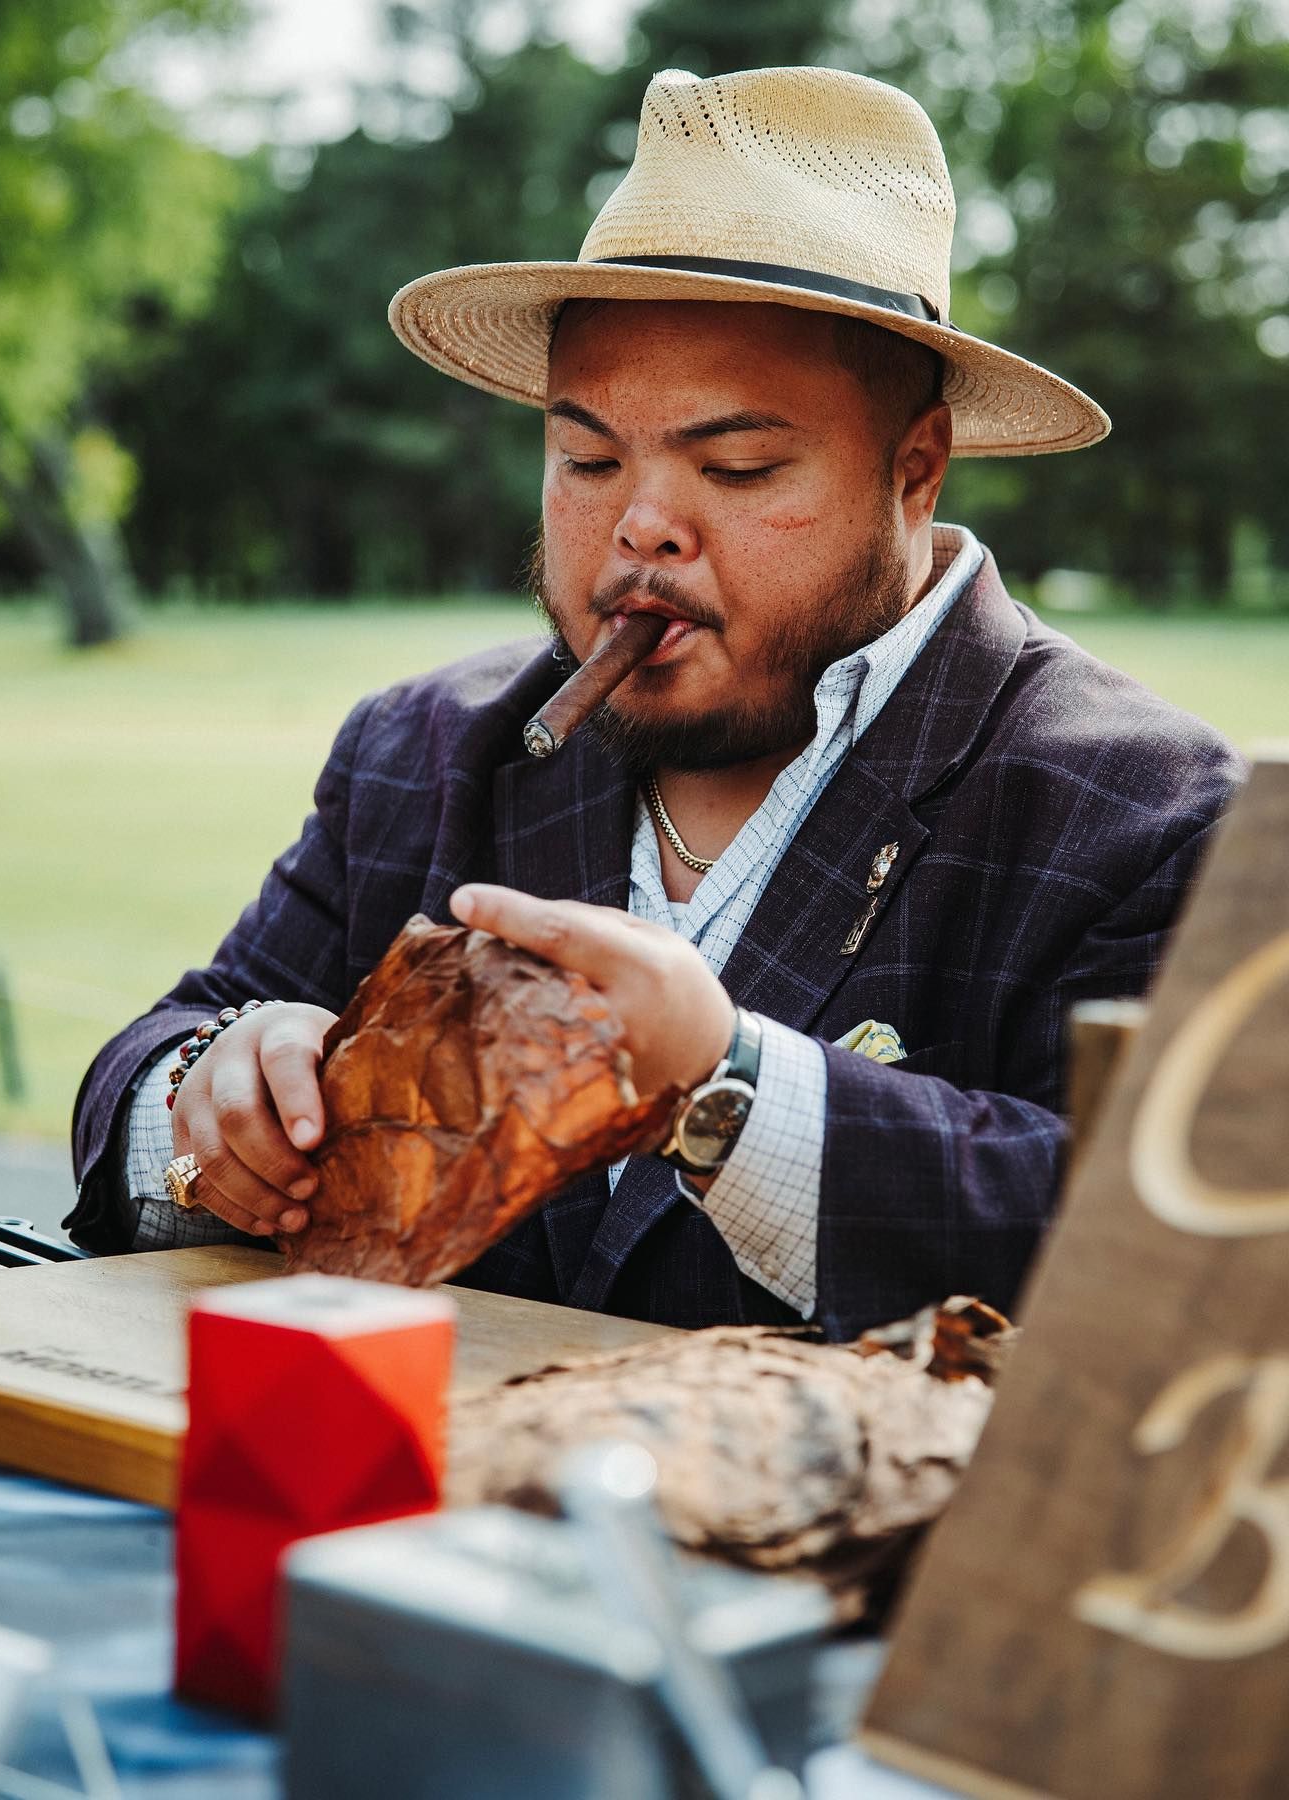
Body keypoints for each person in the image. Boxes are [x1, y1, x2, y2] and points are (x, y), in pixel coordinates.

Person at [68, 65, 1240, 1339]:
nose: (639, 528)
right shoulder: (423, 751)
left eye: (734, 466)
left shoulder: (1147, 814)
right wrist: (205, 1104)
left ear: (915, 471)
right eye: (585, 457)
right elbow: (160, 1049)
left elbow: (1165, 1257)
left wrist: (722, 1085)